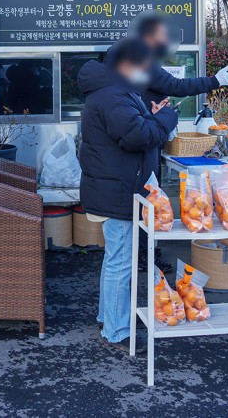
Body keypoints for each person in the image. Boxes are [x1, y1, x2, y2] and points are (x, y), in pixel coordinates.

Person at [115, 12, 228, 272]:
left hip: (141, 134)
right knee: (149, 197)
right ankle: (144, 256)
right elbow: (177, 85)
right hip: (143, 137)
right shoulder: (143, 61)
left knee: (144, 197)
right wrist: (215, 81)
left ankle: (141, 253)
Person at [78, 38, 179, 353]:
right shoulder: (112, 95)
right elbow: (136, 136)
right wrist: (165, 118)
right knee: (121, 261)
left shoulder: (115, 92)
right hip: (117, 190)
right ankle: (118, 329)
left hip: (115, 186)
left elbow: (132, 126)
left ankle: (108, 318)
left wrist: (149, 114)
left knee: (116, 259)